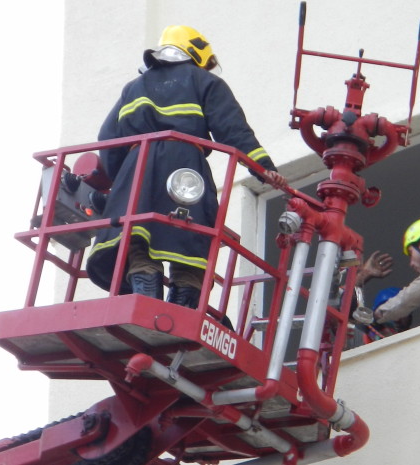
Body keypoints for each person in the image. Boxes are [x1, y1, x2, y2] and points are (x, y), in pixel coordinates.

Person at [86, 25, 286, 309]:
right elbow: (233, 130)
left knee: (139, 240)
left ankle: (146, 303)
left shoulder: (133, 88)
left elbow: (108, 139)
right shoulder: (205, 81)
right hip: (186, 164)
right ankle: (181, 310)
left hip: (137, 166)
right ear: (196, 51)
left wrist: (123, 182)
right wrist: (263, 168)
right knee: (193, 238)